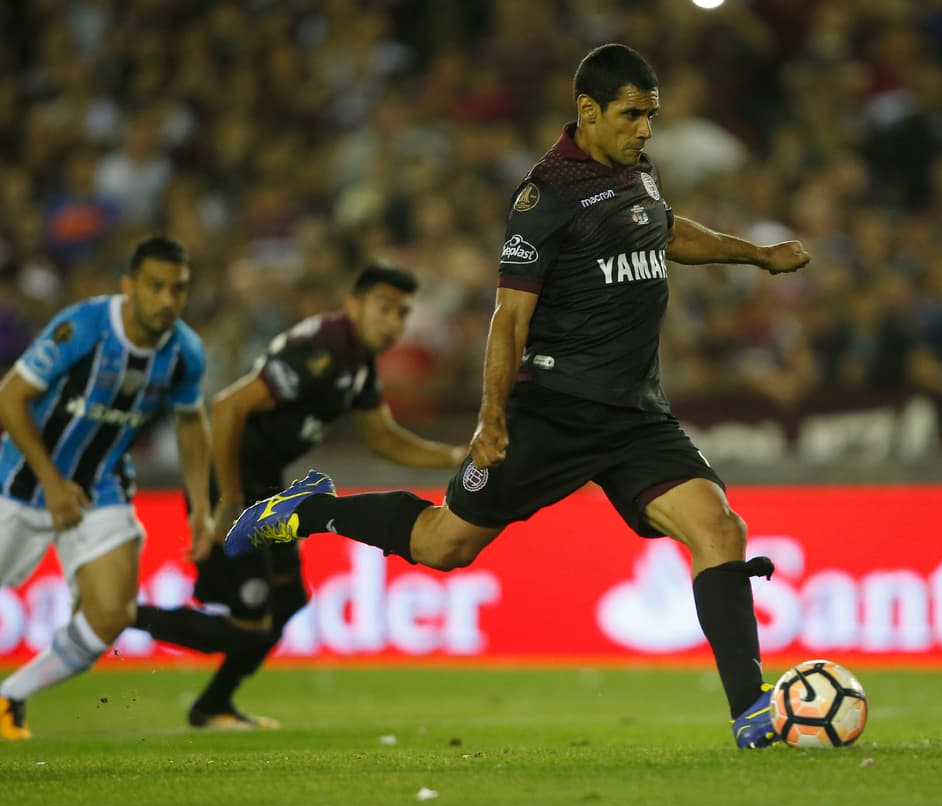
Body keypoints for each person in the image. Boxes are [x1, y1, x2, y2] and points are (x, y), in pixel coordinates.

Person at [225, 44, 811, 748]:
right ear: (587, 112)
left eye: (652, 116)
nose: (646, 129)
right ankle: (309, 511)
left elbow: (663, 231)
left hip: (633, 415)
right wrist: (492, 418)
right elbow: (510, 317)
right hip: (552, 411)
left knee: (720, 529)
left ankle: (751, 711)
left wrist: (756, 253)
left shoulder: (637, 174)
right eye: (632, 115)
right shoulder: (545, 197)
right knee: (444, 546)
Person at [133, 263, 466, 730]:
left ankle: (213, 705)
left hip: (264, 486)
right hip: (227, 481)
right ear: (354, 306)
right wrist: (228, 497)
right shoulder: (322, 351)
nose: (393, 323)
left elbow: (384, 439)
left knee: (288, 601)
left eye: (402, 314)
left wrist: (457, 455)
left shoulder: (357, 363)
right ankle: (118, 615)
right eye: (384, 308)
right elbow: (229, 407)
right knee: (248, 623)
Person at [0, 236, 212, 740]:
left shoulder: (184, 352)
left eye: (177, 290)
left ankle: (11, 698)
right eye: (156, 287)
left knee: (112, 611)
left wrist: (201, 508)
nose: (167, 300)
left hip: (101, 488)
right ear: (129, 287)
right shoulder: (85, 327)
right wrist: (52, 482)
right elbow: (10, 398)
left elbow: (190, 422)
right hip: (19, 481)